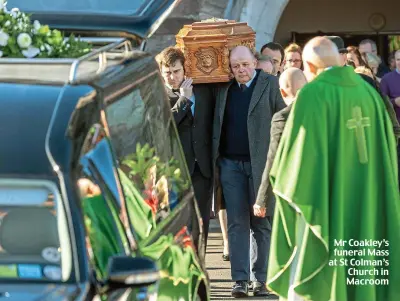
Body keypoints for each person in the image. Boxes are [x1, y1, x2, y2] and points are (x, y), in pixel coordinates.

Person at [267, 36, 400, 301]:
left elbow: (296, 164)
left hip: (326, 205)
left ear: (309, 66)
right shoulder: (369, 94)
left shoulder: (312, 94)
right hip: (369, 199)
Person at [213, 45, 286, 297]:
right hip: (230, 165)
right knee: (236, 222)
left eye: (245, 64)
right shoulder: (224, 87)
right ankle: (240, 280)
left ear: (254, 62)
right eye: (235, 66)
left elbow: (283, 117)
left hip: (261, 165)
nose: (241, 70)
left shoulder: (269, 83)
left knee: (261, 222)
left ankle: (261, 279)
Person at [156, 46, 215, 246]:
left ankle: (200, 265)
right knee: (179, 223)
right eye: (167, 73)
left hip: (202, 167)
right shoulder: (156, 95)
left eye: (176, 71)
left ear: (184, 70)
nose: (172, 77)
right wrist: (184, 99)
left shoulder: (204, 92)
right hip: (175, 168)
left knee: (202, 222)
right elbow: (163, 126)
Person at [253, 67, 307, 219]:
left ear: (282, 92)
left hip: (293, 189)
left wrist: (261, 199)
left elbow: (273, 158)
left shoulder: (282, 117)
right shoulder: (322, 108)